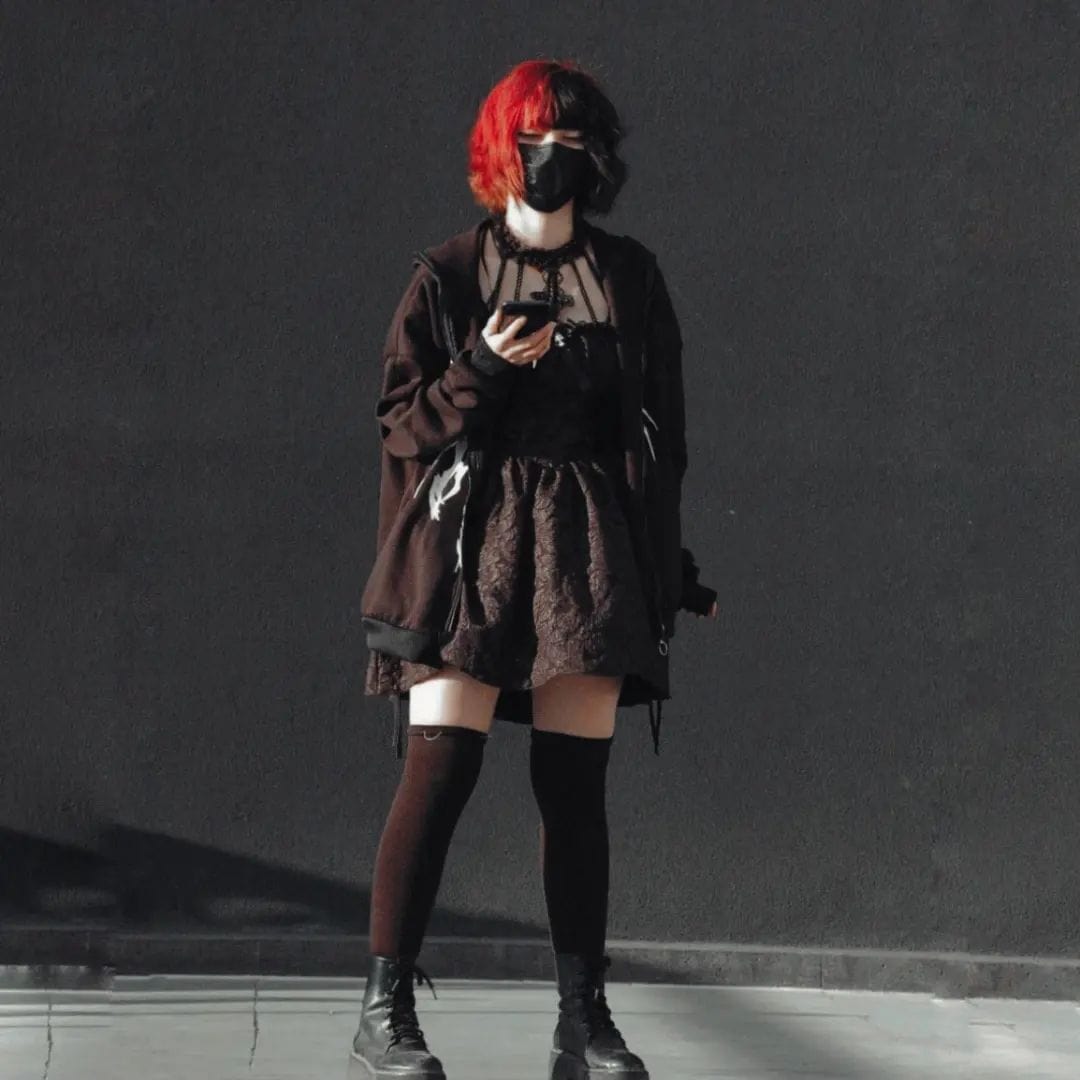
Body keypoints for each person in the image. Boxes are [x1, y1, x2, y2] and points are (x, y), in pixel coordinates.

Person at [352, 58, 718, 1080]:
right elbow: (402, 427)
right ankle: (384, 1013)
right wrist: (481, 367)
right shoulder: (447, 275)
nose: (561, 157)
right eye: (542, 138)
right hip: (470, 545)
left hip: (587, 547)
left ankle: (582, 1022)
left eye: (578, 140)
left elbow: (660, 441)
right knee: (440, 762)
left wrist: (667, 566)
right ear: (504, 148)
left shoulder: (630, 278)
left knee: (575, 783)